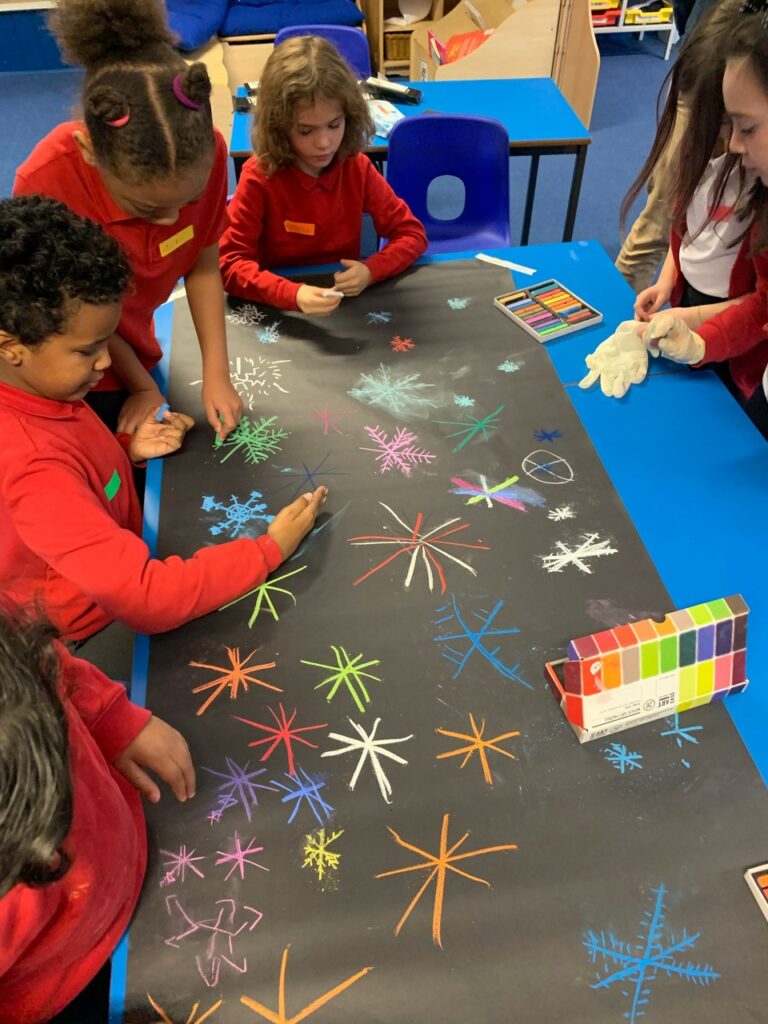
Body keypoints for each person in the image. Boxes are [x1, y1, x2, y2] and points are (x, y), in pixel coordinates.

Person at [0, 195, 327, 642]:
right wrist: (269, 549)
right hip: (91, 627)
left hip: (114, 555)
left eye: (105, 343)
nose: (103, 364)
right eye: (86, 350)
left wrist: (123, 450)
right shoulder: (33, 468)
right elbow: (147, 598)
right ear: (10, 346)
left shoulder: (41, 388)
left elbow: (71, 471)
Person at [14, 0, 241, 439]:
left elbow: (204, 263)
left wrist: (218, 375)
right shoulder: (47, 181)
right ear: (90, 154)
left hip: (134, 333)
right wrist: (139, 386)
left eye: (188, 200)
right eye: (147, 209)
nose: (173, 218)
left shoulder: (202, 152)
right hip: (77, 356)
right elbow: (79, 318)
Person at [0, 601, 194, 1024]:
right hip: (62, 988)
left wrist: (108, 715)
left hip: (134, 855)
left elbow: (44, 656)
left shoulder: (18, 659)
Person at [219, 35, 428, 315]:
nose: (324, 143)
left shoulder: (356, 167)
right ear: (278, 126)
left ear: (349, 116)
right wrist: (292, 293)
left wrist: (370, 270)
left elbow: (411, 234)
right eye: (306, 131)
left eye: (334, 125)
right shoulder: (260, 177)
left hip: (341, 304)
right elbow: (229, 264)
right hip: (277, 303)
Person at [646, 0, 768, 435]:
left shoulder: (755, 186)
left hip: (737, 356)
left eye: (745, 127)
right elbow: (685, 234)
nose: (733, 143)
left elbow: (760, 308)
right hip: (701, 316)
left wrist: (700, 334)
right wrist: (670, 287)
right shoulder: (704, 160)